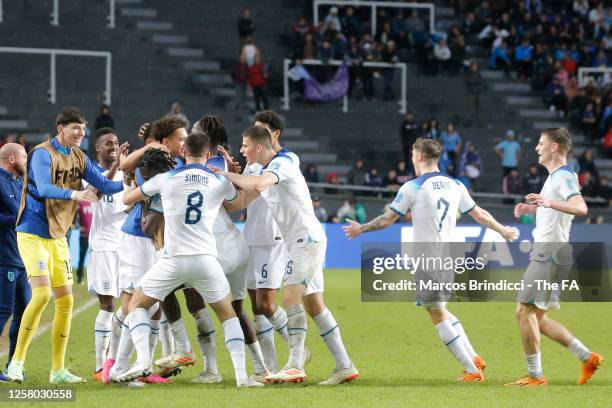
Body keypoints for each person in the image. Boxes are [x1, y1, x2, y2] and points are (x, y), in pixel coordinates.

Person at [343, 138, 517, 383]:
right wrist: (502, 229)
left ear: (421, 156)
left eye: (413, 154)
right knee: (439, 307)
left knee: (434, 311)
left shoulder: (413, 187)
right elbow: (480, 214)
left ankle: (471, 370)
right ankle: (474, 357)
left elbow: (387, 220)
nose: (412, 158)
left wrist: (361, 228)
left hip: (427, 257)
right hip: (449, 255)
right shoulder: (456, 184)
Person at [214, 125, 358, 385]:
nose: (243, 150)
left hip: (306, 239)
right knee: (314, 304)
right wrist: (215, 191)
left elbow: (259, 183)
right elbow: (240, 202)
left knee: (290, 298)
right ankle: (344, 365)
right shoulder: (264, 168)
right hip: (299, 242)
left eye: (245, 145)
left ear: (259, 147)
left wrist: (224, 172)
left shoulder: (284, 162)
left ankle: (294, 364)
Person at [118, 132, 262, 388]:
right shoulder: (218, 180)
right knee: (229, 316)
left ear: (183, 152)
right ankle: (242, 376)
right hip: (206, 261)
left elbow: (126, 200)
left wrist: (144, 191)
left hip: (173, 259)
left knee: (136, 306)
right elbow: (238, 203)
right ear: (208, 155)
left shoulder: (166, 178)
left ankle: (142, 360)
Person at [6, 108, 124, 384]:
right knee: (42, 294)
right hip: (31, 232)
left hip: (57, 236)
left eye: (83, 129)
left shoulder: (80, 157)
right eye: (75, 128)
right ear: (60, 128)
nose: (81, 133)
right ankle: (16, 363)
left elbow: (105, 186)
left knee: (66, 300)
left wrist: (141, 186)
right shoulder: (42, 154)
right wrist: (77, 194)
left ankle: (57, 370)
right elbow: (45, 188)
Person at [510, 128, 603, 387]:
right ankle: (586, 357)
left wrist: (548, 203)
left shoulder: (563, 176)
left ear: (554, 147)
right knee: (537, 318)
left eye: (541, 143)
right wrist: (534, 207)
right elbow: (559, 210)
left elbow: (580, 207)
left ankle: (535, 376)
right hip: (556, 251)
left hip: (549, 252)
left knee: (523, 311)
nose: (537, 148)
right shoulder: (555, 178)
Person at [85, 128, 129, 381]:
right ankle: (100, 366)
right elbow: (98, 193)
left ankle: (116, 362)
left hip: (126, 247)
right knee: (107, 305)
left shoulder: (127, 174)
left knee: (129, 305)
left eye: (115, 142)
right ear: (98, 149)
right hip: (103, 247)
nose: (113, 146)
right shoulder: (91, 174)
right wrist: (117, 169)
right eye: (107, 143)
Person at [0, 143, 29, 382]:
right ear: (11, 158)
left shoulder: (19, 182)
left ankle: (13, 364)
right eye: (23, 157)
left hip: (22, 258)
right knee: (3, 311)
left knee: (24, 311)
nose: (26, 162)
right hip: (4, 258)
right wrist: (17, 218)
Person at [76, 200, 92, 284]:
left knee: (95, 258)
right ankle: (80, 277)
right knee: (82, 257)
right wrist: (78, 226)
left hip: (94, 236)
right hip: (84, 235)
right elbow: (75, 216)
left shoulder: (94, 202)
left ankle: (94, 278)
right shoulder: (80, 203)